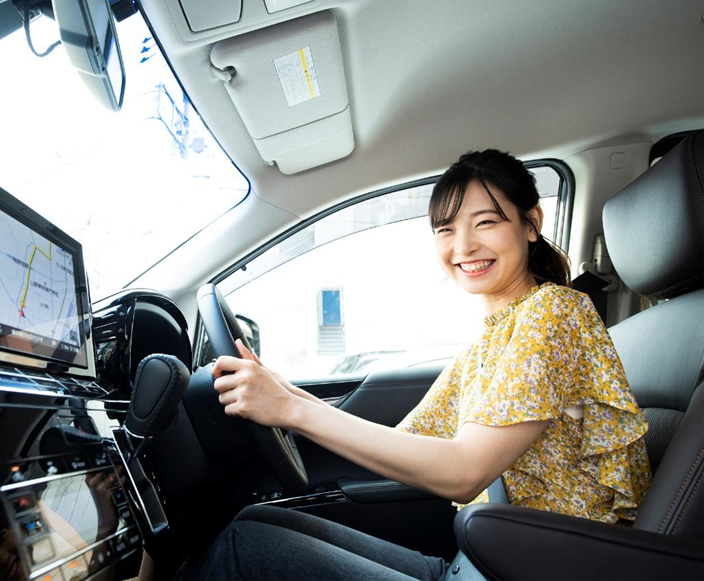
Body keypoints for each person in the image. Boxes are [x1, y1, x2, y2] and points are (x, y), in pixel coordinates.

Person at [185, 149, 651, 580]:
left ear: (531, 224)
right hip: (487, 561)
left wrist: (289, 410)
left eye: (485, 222)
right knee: (257, 520)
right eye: (446, 230)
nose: (463, 246)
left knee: (245, 548)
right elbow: (407, 443)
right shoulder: (493, 336)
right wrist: (282, 392)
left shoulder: (555, 313)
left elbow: (464, 472)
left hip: (537, 568)